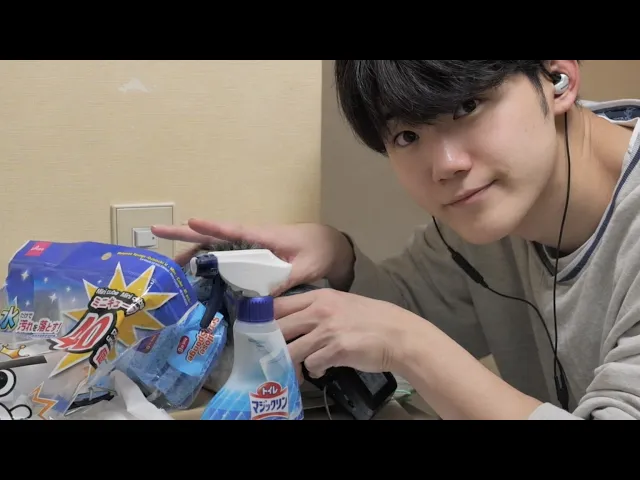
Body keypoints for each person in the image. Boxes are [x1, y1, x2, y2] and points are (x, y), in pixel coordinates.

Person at [152, 60, 640, 420]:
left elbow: (408, 335)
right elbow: (408, 312)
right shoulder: (482, 215)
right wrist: (338, 255)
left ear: (558, 78)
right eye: (407, 136)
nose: (445, 165)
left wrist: (408, 344)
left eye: (468, 106)